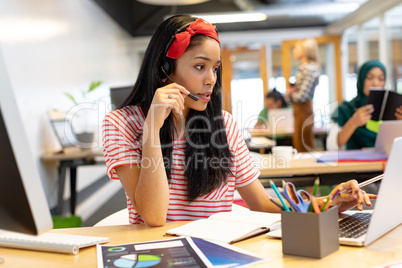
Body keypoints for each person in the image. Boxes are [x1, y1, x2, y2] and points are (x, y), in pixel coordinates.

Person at [102, 15, 375, 226]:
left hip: (220, 254)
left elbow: (261, 203)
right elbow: (154, 217)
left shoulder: (224, 125)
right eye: (200, 66)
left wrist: (329, 203)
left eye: (215, 68)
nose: (211, 79)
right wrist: (152, 129)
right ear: (164, 70)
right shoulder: (120, 124)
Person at [327, 60, 402, 151]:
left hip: (386, 163)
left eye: (381, 79)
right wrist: (353, 122)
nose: (375, 83)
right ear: (361, 80)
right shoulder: (345, 109)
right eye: (370, 78)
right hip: (354, 163)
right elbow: (331, 146)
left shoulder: (392, 111)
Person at [285, 38, 320, 152]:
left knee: (304, 144)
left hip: (304, 111)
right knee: (300, 143)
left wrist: (290, 94)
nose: (294, 51)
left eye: (297, 48)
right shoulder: (304, 68)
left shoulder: (308, 69)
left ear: (305, 50)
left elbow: (302, 96)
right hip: (299, 111)